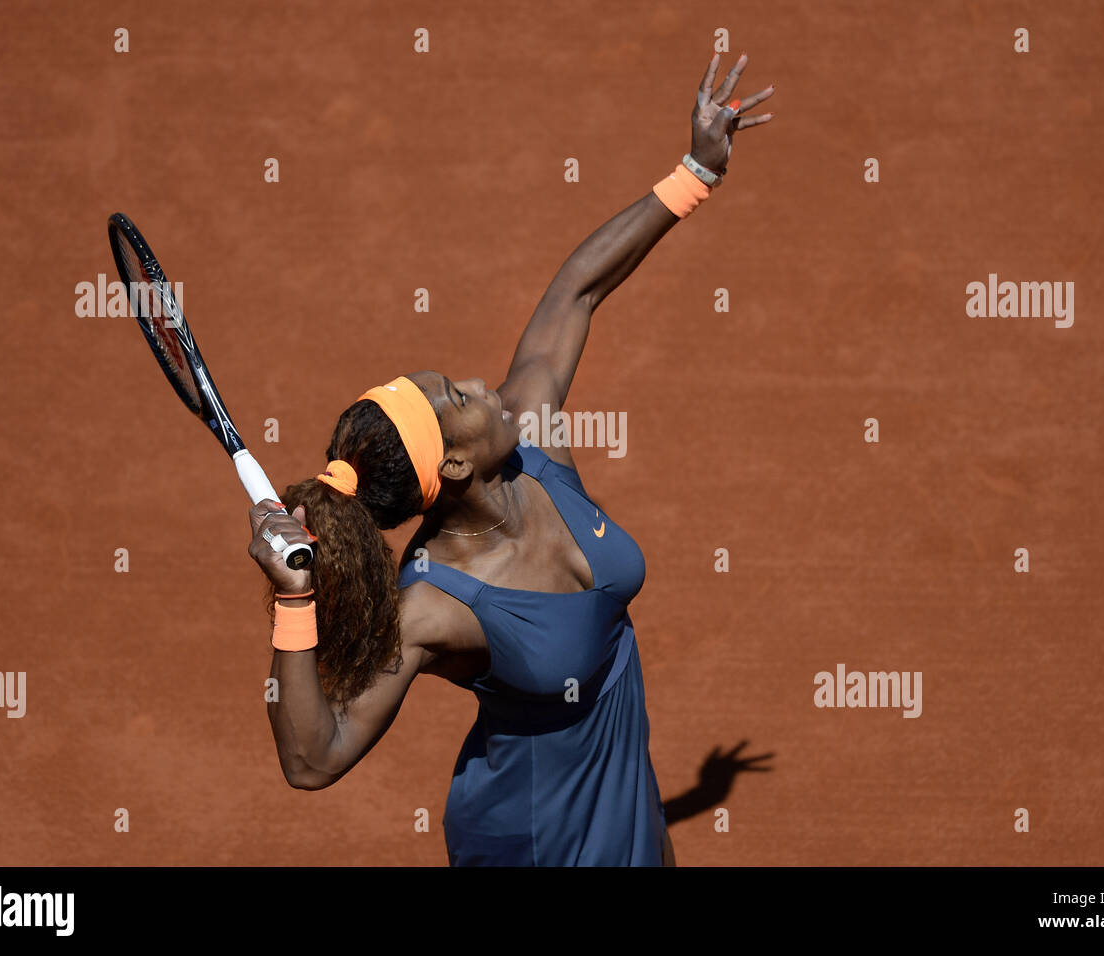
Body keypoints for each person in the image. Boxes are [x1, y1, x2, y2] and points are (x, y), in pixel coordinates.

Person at [248, 52, 774, 865]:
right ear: (453, 467)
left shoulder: (531, 432)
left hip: (624, 817)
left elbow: (577, 288)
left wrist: (695, 172)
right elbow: (313, 759)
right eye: (457, 398)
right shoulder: (432, 605)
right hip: (531, 844)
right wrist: (294, 603)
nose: (476, 384)